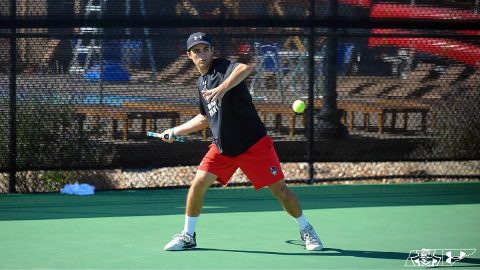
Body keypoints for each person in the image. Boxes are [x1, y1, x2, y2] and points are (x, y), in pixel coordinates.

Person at [162, 32, 323, 251]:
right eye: (196, 51)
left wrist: (222, 88)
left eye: (206, 49)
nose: (202, 54)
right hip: (224, 148)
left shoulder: (222, 67)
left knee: (281, 191)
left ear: (212, 51)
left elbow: (245, 69)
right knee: (198, 183)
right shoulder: (201, 83)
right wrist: (174, 130)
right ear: (189, 55)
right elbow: (204, 118)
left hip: (253, 143)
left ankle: (307, 229)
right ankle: (188, 236)